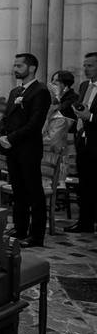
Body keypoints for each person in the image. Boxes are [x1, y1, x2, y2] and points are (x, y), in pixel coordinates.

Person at [0, 53, 51, 247]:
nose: (15, 69)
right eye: (15, 65)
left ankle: (36, 235)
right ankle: (20, 228)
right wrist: (0, 136)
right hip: (12, 148)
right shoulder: (15, 91)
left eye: (19, 66)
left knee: (33, 192)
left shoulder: (41, 91)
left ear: (32, 68)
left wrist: (10, 138)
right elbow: (6, 117)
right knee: (18, 191)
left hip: (28, 148)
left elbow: (35, 123)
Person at [67, 52, 97, 233]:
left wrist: (90, 116)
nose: (85, 69)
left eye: (90, 65)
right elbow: (81, 108)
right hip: (83, 140)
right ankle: (84, 222)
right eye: (85, 65)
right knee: (84, 185)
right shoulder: (85, 85)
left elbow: (88, 114)